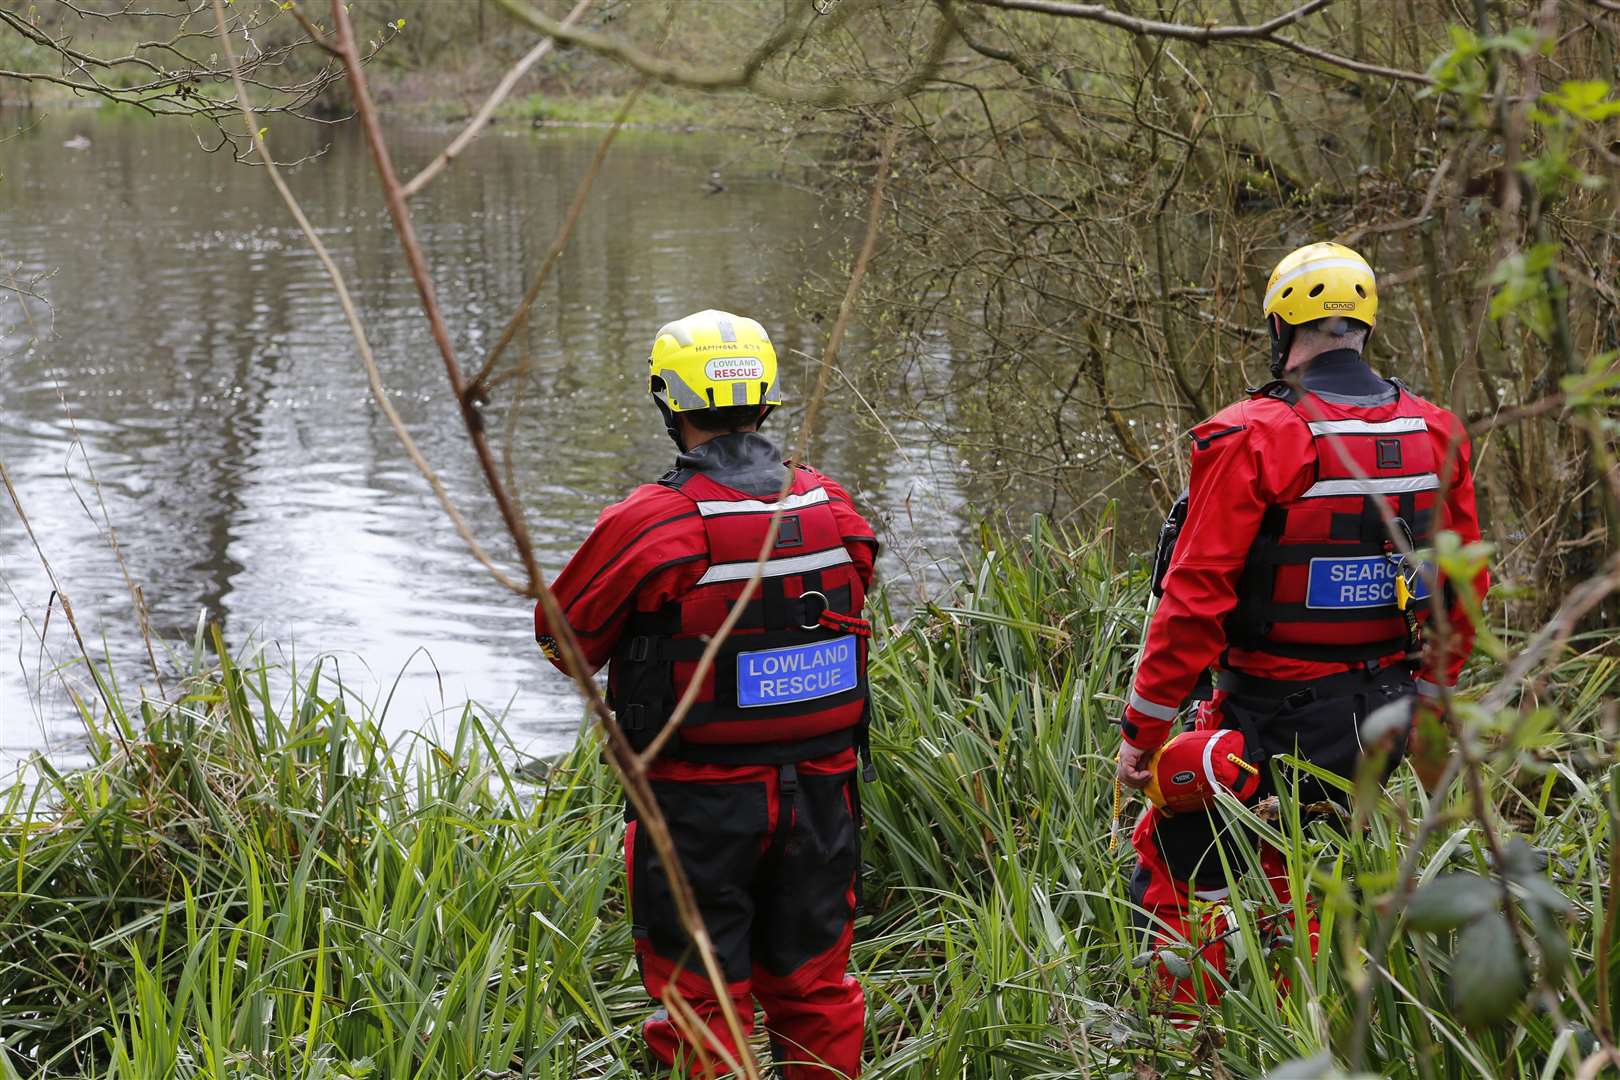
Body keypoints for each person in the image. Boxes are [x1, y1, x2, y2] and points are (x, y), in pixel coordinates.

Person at [1114, 242, 1488, 1011]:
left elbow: (1195, 598)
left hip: (1265, 711)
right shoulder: (1437, 430)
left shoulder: (1252, 433)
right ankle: (1312, 1026)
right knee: (1316, 876)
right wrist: (1427, 698)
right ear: (1364, 328)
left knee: (1179, 870)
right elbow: (1465, 588)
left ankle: (1194, 1043)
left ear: (1283, 328)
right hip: (1385, 709)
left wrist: (1143, 732)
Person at [535, 309, 878, 1078]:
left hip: (694, 808)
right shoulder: (835, 508)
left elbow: (563, 644)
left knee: (701, 1005)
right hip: (825, 798)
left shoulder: (649, 523)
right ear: (765, 398)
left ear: (668, 400)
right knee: (816, 991)